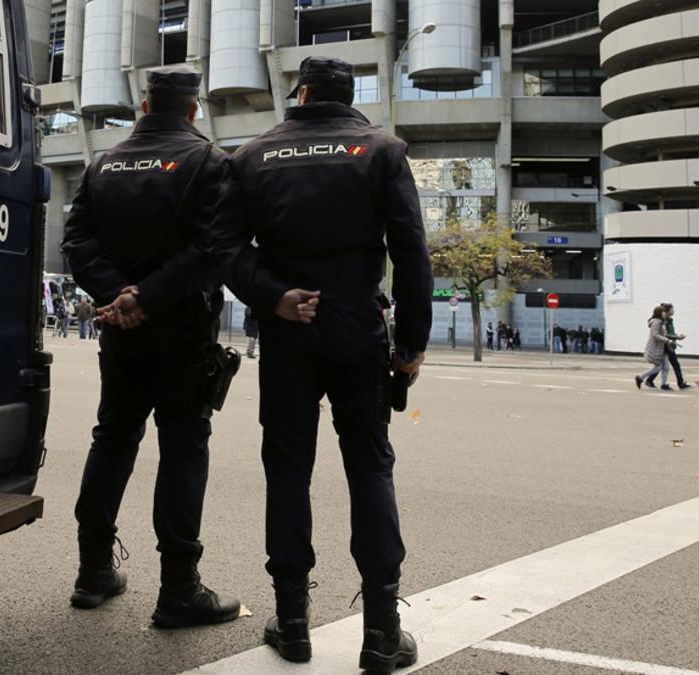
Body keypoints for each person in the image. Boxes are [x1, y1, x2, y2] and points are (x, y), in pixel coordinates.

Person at [208, 56, 432, 669]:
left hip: (289, 332)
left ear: (300, 93)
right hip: (359, 326)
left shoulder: (252, 155)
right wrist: (410, 346)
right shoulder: (382, 151)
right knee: (370, 467)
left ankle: (293, 620)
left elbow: (224, 247)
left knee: (287, 471)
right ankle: (382, 632)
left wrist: (274, 296)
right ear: (348, 96)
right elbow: (411, 253)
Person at [60, 65, 241, 628]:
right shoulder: (211, 161)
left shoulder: (103, 163)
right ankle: (179, 589)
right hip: (183, 330)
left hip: (121, 330)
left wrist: (120, 297)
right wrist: (151, 296)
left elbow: (76, 243)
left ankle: (93, 572)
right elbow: (215, 248)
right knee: (184, 449)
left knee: (112, 439)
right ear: (192, 110)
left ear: (144, 106)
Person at [648, 303, 690, 389]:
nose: (673, 311)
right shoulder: (664, 321)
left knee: (662, 366)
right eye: (672, 309)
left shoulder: (669, 320)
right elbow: (664, 334)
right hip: (666, 345)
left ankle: (650, 380)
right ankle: (679, 383)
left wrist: (676, 335)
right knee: (671, 365)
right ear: (667, 311)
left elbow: (669, 333)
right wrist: (676, 337)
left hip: (669, 344)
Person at [635, 306, 671, 390]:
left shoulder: (661, 322)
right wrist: (666, 340)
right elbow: (655, 335)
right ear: (659, 313)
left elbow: (663, 334)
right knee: (658, 367)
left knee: (666, 367)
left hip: (662, 347)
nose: (664, 313)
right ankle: (640, 377)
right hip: (656, 348)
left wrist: (672, 338)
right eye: (663, 312)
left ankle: (663, 384)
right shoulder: (656, 322)